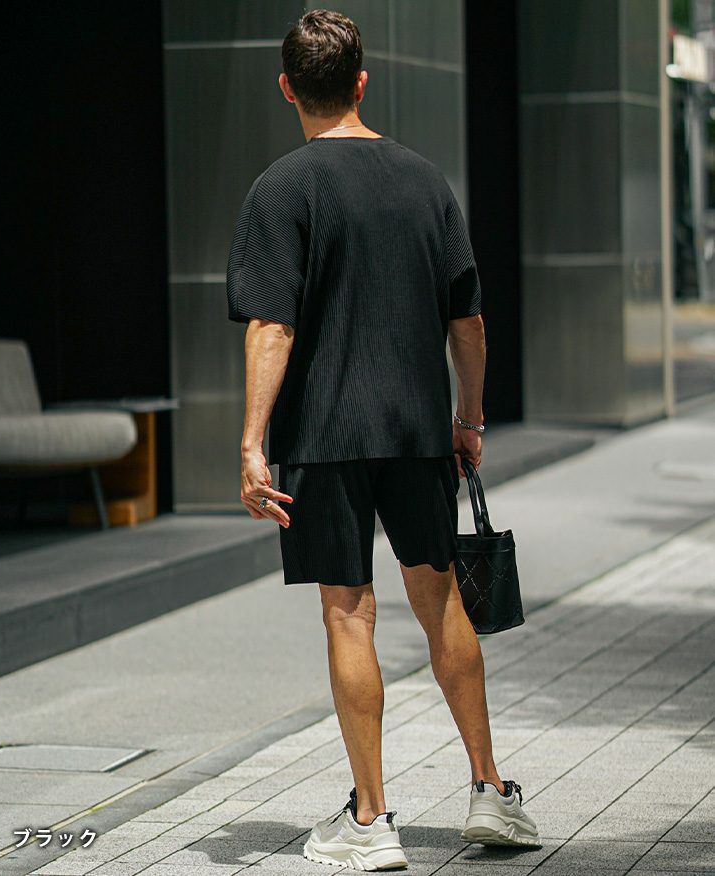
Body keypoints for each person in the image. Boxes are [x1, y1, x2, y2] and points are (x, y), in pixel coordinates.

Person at [226, 8, 541, 869]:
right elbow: (468, 324)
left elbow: (271, 328)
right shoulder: (425, 181)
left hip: (323, 436)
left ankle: (371, 822)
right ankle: (490, 792)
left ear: (288, 87)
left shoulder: (280, 190)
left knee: (348, 613)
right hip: (414, 429)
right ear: (363, 82)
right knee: (441, 602)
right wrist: (468, 420)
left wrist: (252, 442)